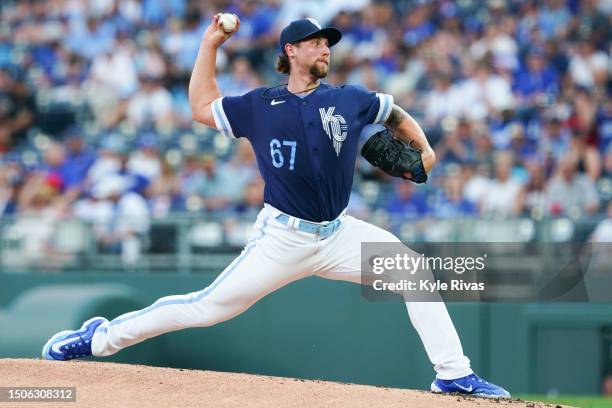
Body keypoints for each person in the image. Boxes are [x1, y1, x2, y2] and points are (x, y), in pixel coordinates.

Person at [42, 15, 510, 399]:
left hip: (339, 233)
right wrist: (211, 43)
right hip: (282, 237)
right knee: (205, 309)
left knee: (412, 271)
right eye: (315, 43)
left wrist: (423, 148)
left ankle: (452, 373)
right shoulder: (260, 104)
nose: (326, 48)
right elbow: (202, 106)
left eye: (328, 43)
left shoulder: (349, 99)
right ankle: (99, 337)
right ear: (291, 51)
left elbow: (395, 113)